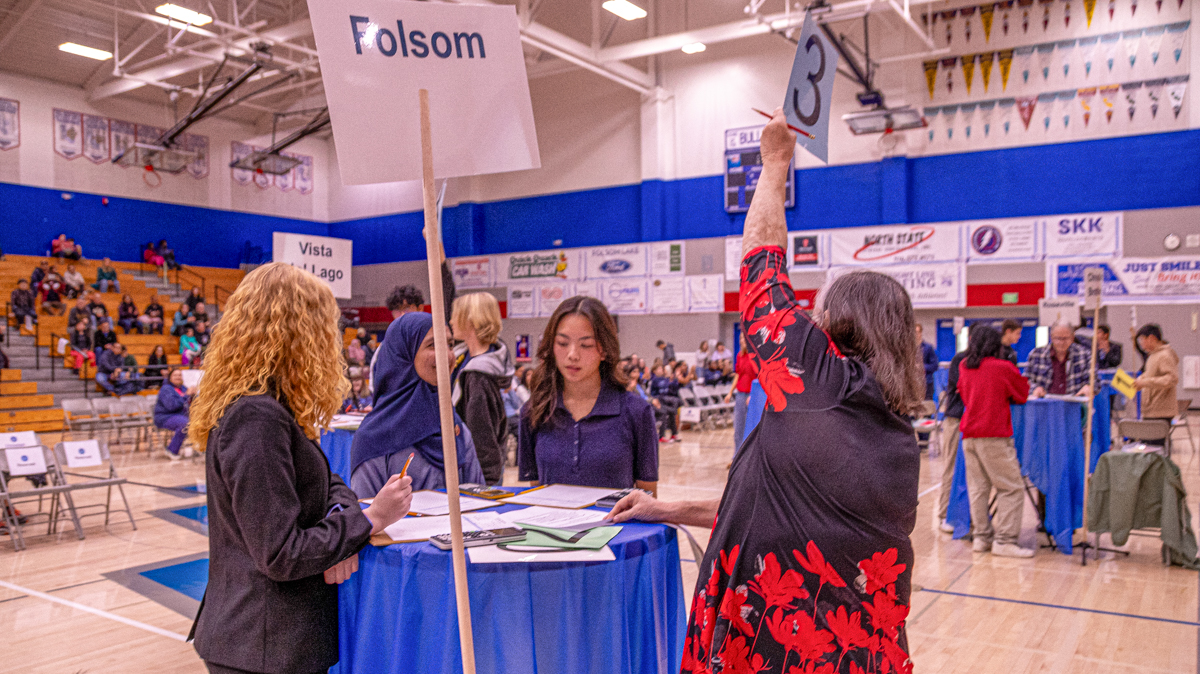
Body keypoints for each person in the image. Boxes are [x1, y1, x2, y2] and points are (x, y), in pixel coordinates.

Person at [605, 110, 923, 674]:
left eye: (819, 312)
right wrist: (666, 508)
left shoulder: (819, 380)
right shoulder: (894, 429)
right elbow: (770, 509)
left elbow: (761, 265)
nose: (810, 319)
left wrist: (774, 162)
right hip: (860, 650)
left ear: (839, 326)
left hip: (783, 649)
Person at [186, 263, 413, 674]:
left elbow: (330, 483)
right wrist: (369, 520)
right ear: (302, 333)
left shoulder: (275, 407)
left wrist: (344, 524)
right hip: (261, 645)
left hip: (271, 642)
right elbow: (280, 553)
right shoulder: (257, 416)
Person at [518, 296, 658, 493]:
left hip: (615, 523)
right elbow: (536, 489)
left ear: (604, 350)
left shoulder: (637, 412)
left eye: (586, 345)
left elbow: (647, 498)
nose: (572, 354)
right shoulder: (533, 411)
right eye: (562, 343)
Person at [350, 311, 485, 496]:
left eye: (450, 344)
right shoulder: (373, 440)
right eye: (433, 345)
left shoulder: (453, 427)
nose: (448, 355)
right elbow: (367, 520)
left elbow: (479, 500)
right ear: (404, 354)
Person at [957, 326, 1033, 557]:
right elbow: (1022, 394)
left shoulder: (964, 366)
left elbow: (963, 393)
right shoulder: (1003, 367)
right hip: (994, 434)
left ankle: (982, 538)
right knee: (1011, 487)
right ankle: (1005, 540)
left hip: (969, 435)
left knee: (978, 489)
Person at [450, 292, 514, 485]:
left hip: (478, 470)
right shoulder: (463, 359)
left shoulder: (479, 374)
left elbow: (482, 433)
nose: (451, 321)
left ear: (471, 319)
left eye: (456, 314)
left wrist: (488, 482)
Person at [936, 325, 977, 534]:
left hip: (976, 421)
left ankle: (970, 515)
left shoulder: (988, 362)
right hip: (956, 418)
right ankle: (944, 514)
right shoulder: (959, 360)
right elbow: (959, 387)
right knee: (951, 467)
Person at [1134, 324, 1179, 442]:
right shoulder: (1153, 355)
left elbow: (1171, 379)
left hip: (1161, 410)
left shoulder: (1165, 355)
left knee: (1155, 448)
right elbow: (1152, 374)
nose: (1141, 344)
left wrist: (1145, 382)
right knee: (1147, 446)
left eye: (1142, 340)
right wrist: (1140, 381)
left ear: (1152, 338)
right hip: (1151, 409)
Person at [1027, 322, 1092, 398]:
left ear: (1072, 337)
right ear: (1051, 337)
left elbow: (1094, 381)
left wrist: (1089, 387)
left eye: (1065, 338)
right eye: (1058, 338)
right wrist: (1035, 389)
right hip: (1045, 405)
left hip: (1074, 405)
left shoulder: (1084, 354)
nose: (1061, 342)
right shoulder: (1036, 354)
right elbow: (1026, 380)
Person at [725, 335, 759, 449]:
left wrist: (753, 395)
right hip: (740, 394)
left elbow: (759, 376)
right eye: (740, 339)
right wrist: (730, 392)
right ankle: (736, 456)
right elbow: (738, 374)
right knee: (738, 426)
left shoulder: (755, 355)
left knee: (751, 426)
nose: (741, 341)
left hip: (752, 395)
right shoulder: (740, 356)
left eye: (744, 338)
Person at [154, 368, 192, 460]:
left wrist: (194, 396)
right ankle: (172, 450)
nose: (178, 377)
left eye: (180, 375)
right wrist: (186, 395)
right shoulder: (166, 389)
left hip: (181, 415)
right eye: (175, 375)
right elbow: (172, 406)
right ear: (170, 377)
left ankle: (202, 448)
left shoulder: (184, 388)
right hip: (165, 416)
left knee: (204, 420)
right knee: (185, 424)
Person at [649, 363, 681, 443]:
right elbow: (652, 393)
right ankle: (661, 436)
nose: (661, 370)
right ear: (655, 371)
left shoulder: (666, 379)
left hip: (665, 401)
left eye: (662, 369)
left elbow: (673, 388)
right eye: (659, 369)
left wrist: (674, 379)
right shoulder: (654, 380)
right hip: (658, 401)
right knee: (666, 411)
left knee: (672, 411)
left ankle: (673, 434)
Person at [917, 323, 938, 400]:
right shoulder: (909, 349)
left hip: (926, 383)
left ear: (920, 333)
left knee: (927, 407)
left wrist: (921, 367)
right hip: (913, 383)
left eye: (917, 332)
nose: (915, 334)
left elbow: (935, 366)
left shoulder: (928, 348)